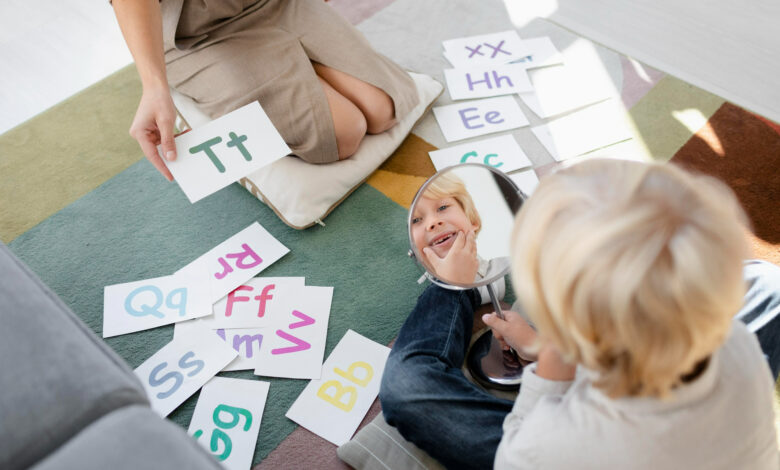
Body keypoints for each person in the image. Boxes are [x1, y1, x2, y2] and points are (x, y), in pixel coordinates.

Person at [380, 159, 780, 470]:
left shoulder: (551, 450)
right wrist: (547, 345)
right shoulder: (735, 345)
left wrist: (550, 364)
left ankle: (451, 283)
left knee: (408, 387)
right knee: (769, 284)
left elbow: (517, 454)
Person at [111, 0, 419, 181]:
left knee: (383, 108)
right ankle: (292, 67)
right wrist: (154, 86)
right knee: (341, 133)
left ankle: (300, 63)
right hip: (195, 30)